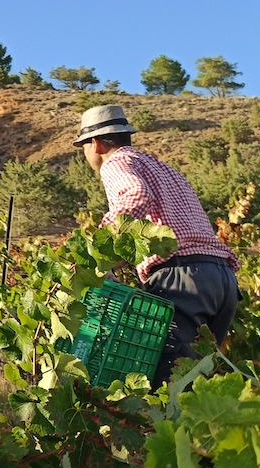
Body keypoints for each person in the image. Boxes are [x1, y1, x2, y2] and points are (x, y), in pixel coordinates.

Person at [73, 104, 239, 386]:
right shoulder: (165, 170)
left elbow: (135, 196)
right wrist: (120, 260)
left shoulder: (116, 164)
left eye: (84, 147)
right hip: (221, 279)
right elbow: (168, 230)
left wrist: (98, 254)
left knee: (167, 383)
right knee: (198, 381)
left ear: (96, 143)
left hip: (182, 281)